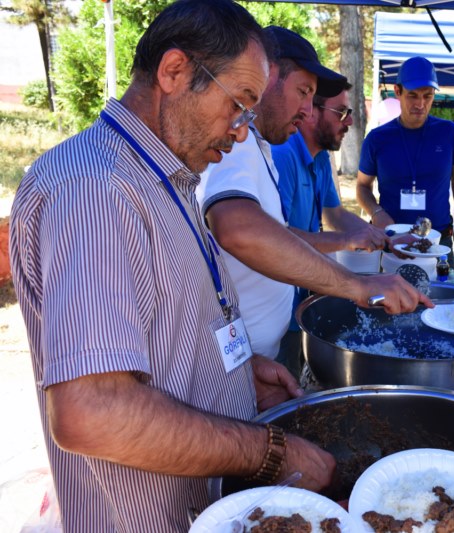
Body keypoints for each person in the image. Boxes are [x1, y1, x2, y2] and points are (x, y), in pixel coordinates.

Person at [8, 2, 337, 530]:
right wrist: (270, 450)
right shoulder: (96, 189)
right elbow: (93, 412)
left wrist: (233, 372)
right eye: (238, 105)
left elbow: (160, 322)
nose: (239, 132)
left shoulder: (164, 173)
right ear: (174, 71)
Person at [198, 27, 429, 379]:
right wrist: (358, 285)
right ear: (268, 75)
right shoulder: (240, 142)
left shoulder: (257, 145)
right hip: (233, 359)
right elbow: (238, 228)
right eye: (303, 93)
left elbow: (327, 215)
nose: (306, 111)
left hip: (252, 359)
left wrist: (372, 236)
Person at [272, 79, 388, 378]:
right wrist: (347, 240)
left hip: (302, 290)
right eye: (341, 112)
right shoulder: (283, 154)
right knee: (284, 377)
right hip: (276, 301)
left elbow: (334, 213)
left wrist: (384, 238)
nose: (349, 120)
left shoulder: (321, 154)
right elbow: (275, 237)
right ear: (311, 111)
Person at [357, 56, 454, 270]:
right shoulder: (377, 138)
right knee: (388, 302)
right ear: (397, 91)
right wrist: (377, 213)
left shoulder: (449, 132)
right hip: (391, 242)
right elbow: (361, 187)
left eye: (427, 96)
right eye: (412, 95)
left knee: (441, 303)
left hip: (437, 243)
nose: (420, 104)